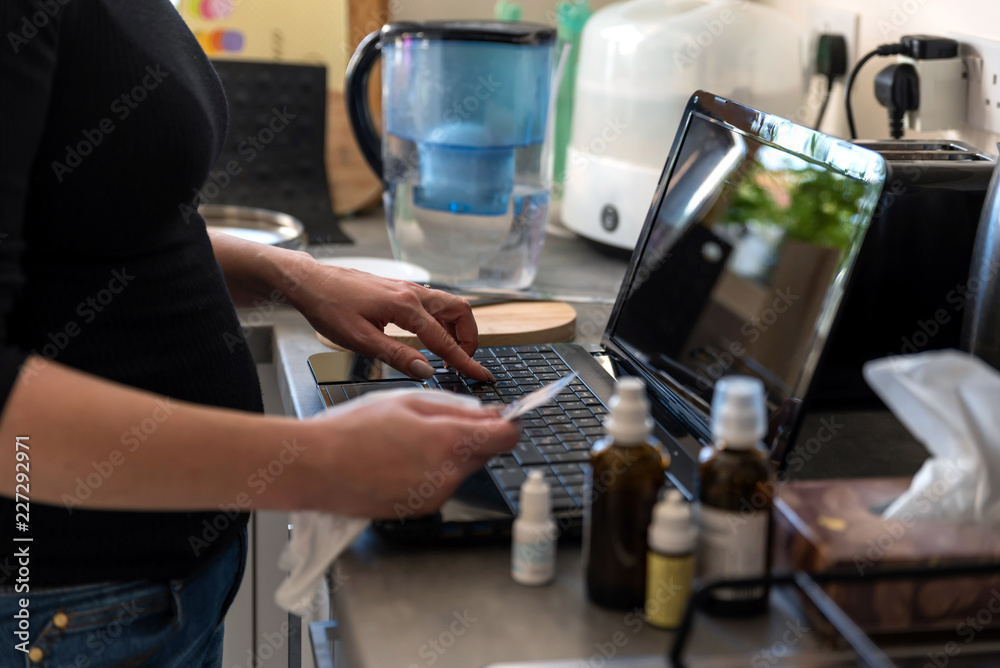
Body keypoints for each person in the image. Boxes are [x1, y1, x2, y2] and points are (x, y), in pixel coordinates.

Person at [0, 1, 519, 665]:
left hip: (155, 591)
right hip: (59, 607)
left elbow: (99, 218)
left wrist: (292, 274)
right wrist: (323, 462)